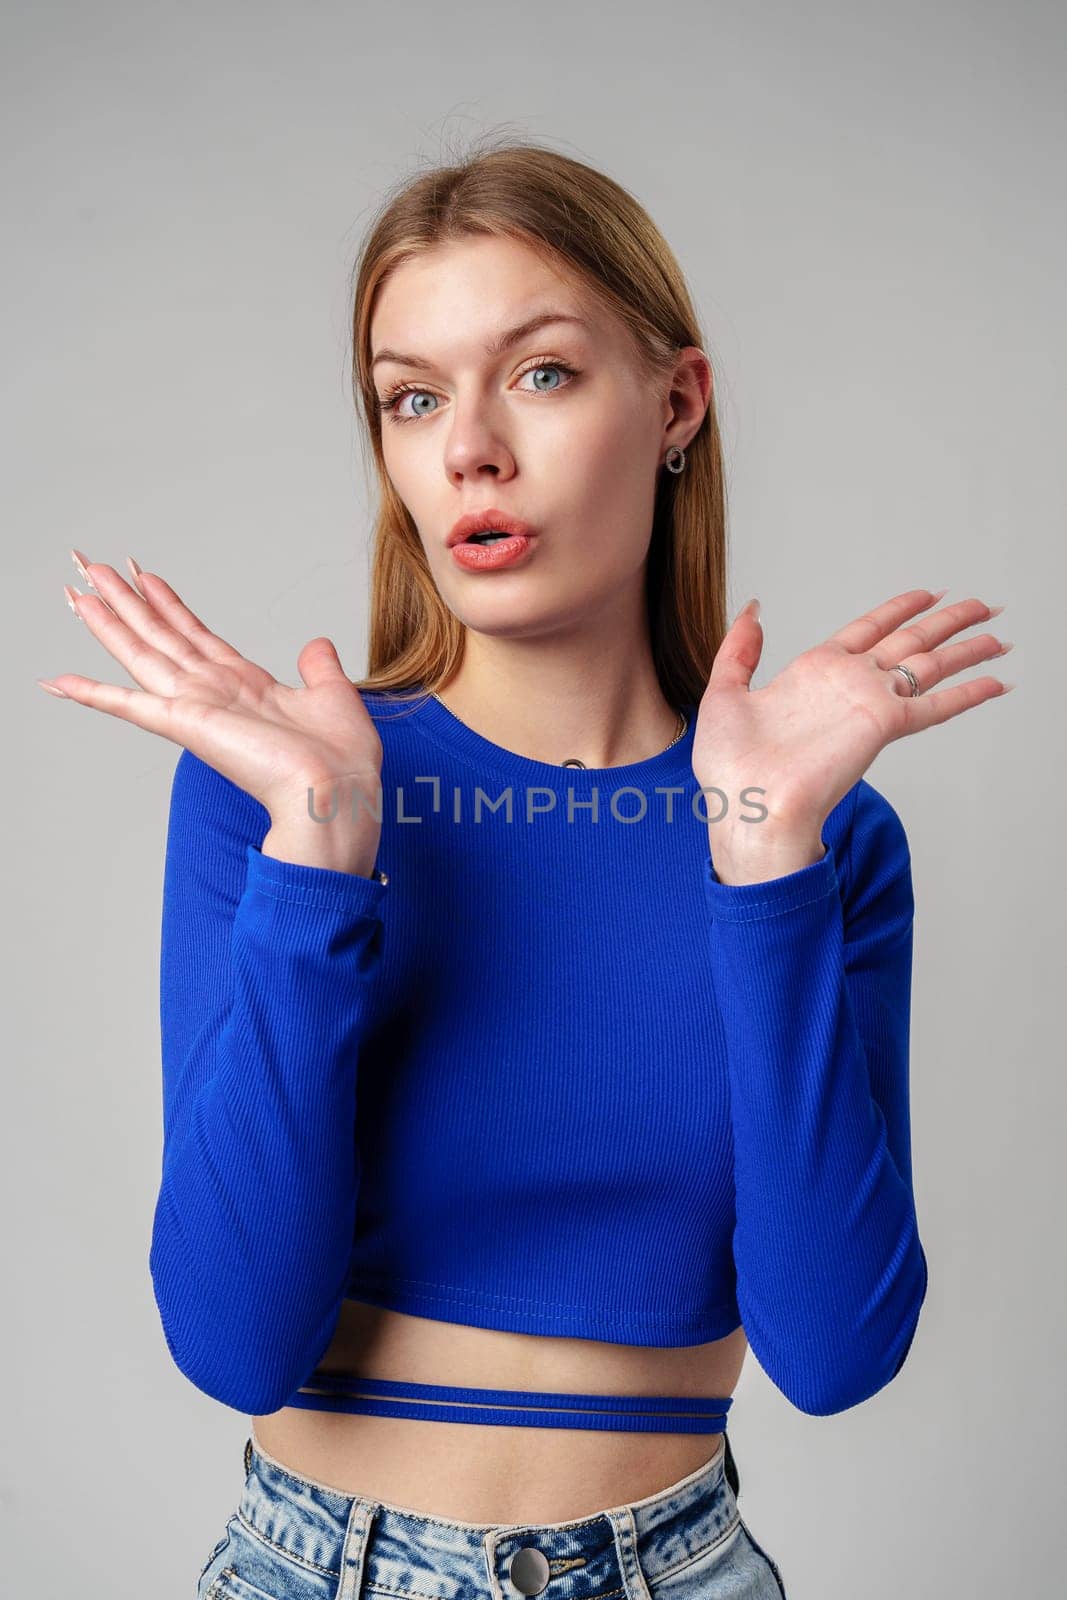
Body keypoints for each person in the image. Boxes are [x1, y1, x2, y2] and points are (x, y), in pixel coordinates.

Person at [38, 137, 1013, 1599]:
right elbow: (233, 1342)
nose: (467, 449)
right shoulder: (280, 791)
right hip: (320, 1565)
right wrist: (321, 850)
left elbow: (834, 1351)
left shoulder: (821, 836)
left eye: (540, 373)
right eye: (411, 397)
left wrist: (760, 860)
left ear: (677, 401)